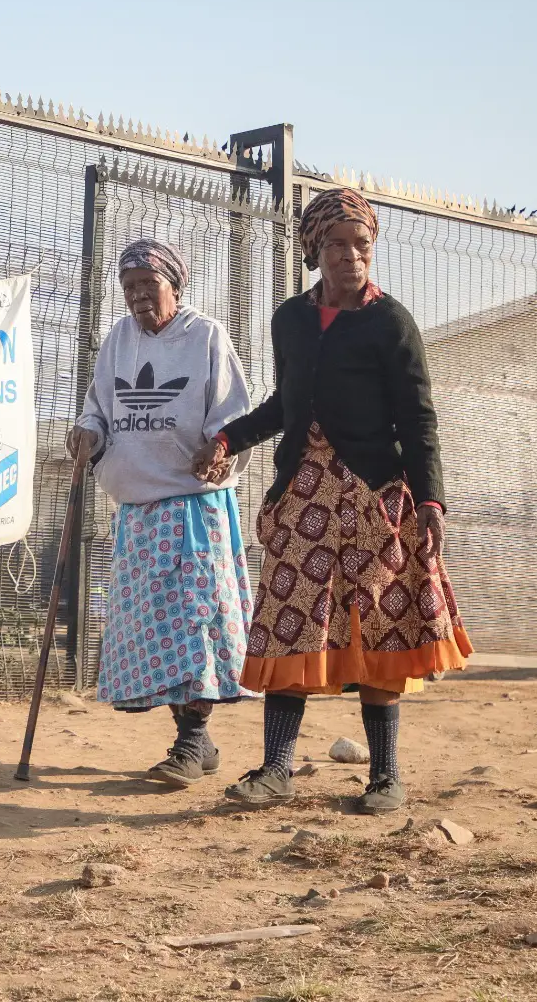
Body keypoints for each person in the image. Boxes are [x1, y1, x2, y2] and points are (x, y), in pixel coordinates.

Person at [192, 187, 471, 815]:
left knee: (378, 634)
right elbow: (284, 404)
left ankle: (386, 777)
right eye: (339, 244)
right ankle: (275, 770)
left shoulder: (390, 322)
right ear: (315, 249)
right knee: (288, 628)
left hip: (374, 501)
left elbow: (418, 419)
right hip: (305, 497)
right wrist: (229, 438)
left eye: (362, 244)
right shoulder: (290, 320)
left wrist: (431, 503)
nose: (352, 256)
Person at [68, 238, 256, 788]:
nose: (137, 296)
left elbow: (235, 417)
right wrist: (87, 433)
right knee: (156, 632)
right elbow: (97, 409)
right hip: (137, 511)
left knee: (194, 626)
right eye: (128, 288)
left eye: (148, 284)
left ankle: (191, 742)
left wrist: (221, 451)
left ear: (175, 284)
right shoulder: (117, 341)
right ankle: (198, 740)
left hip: (193, 505)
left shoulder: (205, 338)